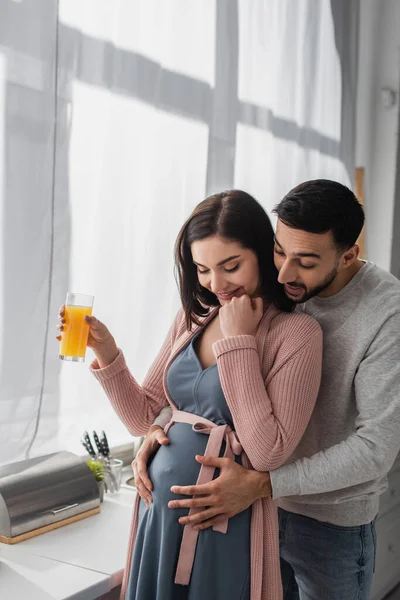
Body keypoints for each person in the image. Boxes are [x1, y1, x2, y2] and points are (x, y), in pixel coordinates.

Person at [137, 179, 400, 600]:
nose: (284, 272)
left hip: (327, 524)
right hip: (246, 509)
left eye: (306, 261)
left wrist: (263, 483)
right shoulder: (262, 292)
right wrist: (164, 428)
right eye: (279, 250)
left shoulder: (386, 313)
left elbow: (375, 446)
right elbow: (216, 389)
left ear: (349, 254)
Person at [57, 190, 323, 600]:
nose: (216, 284)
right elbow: (143, 417)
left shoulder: (296, 335)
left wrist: (239, 343)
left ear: (263, 253)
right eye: (202, 269)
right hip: (157, 517)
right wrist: (107, 352)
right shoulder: (193, 317)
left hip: (224, 524)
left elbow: (269, 452)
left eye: (230, 266)